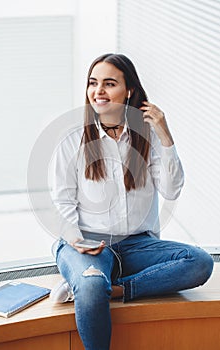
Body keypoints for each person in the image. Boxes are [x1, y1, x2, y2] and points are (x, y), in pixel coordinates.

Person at [50, 53, 213, 350]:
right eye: (93, 83)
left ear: (129, 91)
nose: (98, 91)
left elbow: (172, 190)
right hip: (88, 243)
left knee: (200, 263)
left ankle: (112, 289)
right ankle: (91, 283)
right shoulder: (72, 138)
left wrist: (165, 136)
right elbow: (62, 202)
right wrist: (76, 240)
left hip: (138, 246)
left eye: (109, 83)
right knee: (88, 286)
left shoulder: (147, 136)